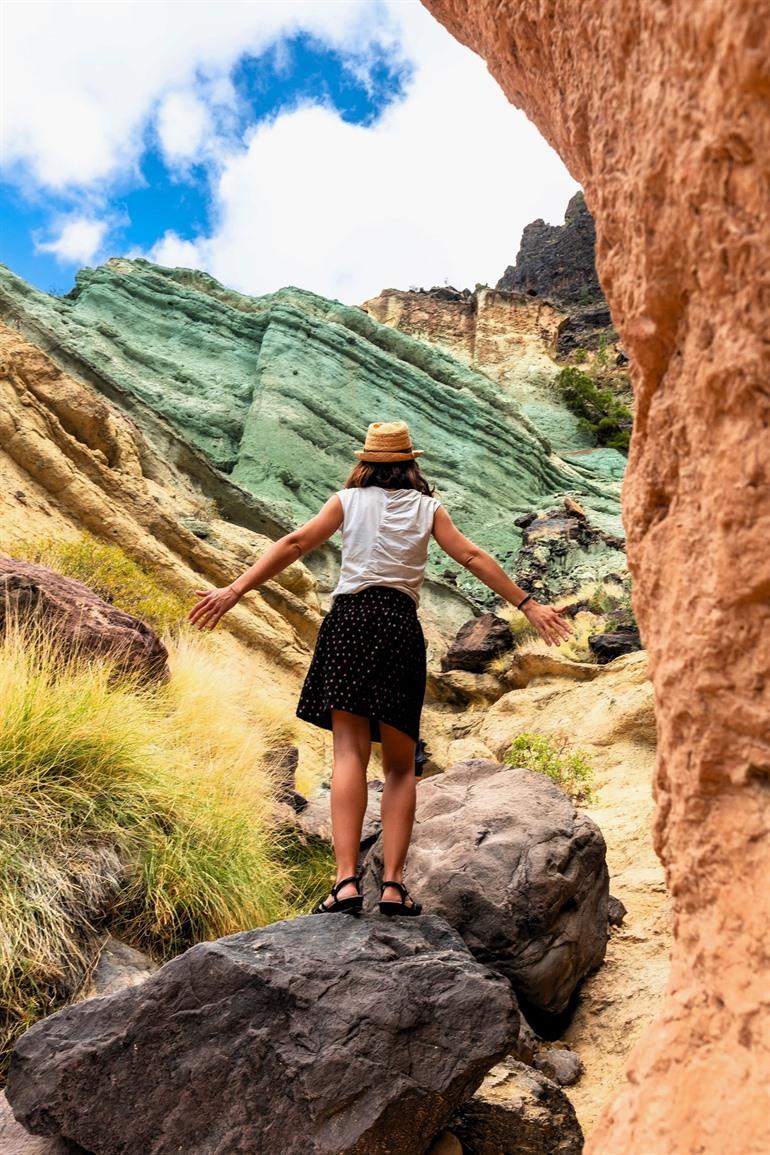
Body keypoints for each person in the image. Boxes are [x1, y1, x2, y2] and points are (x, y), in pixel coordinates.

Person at [187, 419, 573, 918]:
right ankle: (392, 886)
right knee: (398, 765)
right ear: (411, 465)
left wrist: (234, 589)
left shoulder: (347, 502)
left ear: (365, 463)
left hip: (349, 622)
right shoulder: (428, 508)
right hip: (397, 626)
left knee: (348, 752)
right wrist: (528, 604)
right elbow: (472, 556)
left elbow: (294, 543)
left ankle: (345, 883)